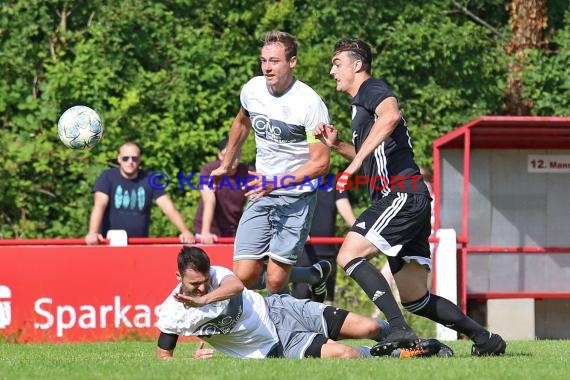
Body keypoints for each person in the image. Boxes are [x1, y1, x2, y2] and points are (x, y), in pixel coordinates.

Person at [314, 38, 506, 356]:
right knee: (416, 297)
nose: (332, 70)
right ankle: (486, 339)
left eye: (337, 63)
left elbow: (390, 116)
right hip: (410, 198)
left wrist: (355, 162)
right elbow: (374, 155)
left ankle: (399, 329)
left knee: (348, 255)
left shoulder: (371, 89)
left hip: (400, 194)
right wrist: (340, 147)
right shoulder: (358, 110)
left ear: (357, 65)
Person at [155, 246, 445, 360]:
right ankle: (405, 355)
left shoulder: (217, 277)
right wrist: (190, 362)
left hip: (280, 308)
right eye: (194, 283)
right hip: (275, 347)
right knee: (345, 355)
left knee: (369, 326)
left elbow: (236, 286)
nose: (202, 285)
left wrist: (204, 298)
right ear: (178, 276)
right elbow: (163, 359)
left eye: (205, 279)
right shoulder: (173, 314)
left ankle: (414, 340)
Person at [210, 31, 330, 294]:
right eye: (263, 60)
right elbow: (242, 122)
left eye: (274, 61)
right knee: (244, 275)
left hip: (296, 196)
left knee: (276, 281)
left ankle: (287, 322)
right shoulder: (252, 89)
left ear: (293, 62)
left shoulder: (310, 104)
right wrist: (227, 163)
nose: (266, 67)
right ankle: (311, 275)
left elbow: (320, 164)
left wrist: (274, 182)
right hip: (261, 192)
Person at [85, 142, 195, 245]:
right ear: (119, 159)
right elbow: (100, 205)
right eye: (125, 158)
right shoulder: (107, 177)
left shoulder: (150, 179)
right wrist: (93, 232)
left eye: (134, 158)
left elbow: (168, 207)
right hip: (109, 242)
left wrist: (185, 231)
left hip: (139, 244)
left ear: (139, 159)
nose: (130, 161)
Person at [292, 174, 357, 303]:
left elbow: (343, 206)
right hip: (305, 252)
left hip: (328, 252)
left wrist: (360, 230)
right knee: (301, 298)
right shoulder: (298, 180)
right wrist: (300, 228)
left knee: (326, 302)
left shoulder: (334, 182)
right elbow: (292, 209)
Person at [193, 137, 254, 244]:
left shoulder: (248, 172)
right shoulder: (208, 170)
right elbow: (209, 200)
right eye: (229, 155)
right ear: (220, 155)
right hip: (208, 231)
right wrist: (205, 232)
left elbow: (255, 201)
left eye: (237, 154)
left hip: (234, 231)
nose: (233, 159)